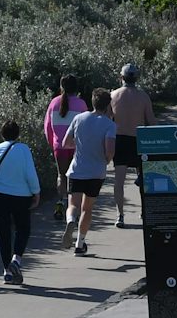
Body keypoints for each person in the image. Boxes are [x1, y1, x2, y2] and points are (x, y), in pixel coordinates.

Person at [0, 120, 42, 285]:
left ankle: (7, 271)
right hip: (21, 196)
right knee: (23, 228)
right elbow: (30, 173)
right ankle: (16, 260)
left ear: (2, 134)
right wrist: (36, 192)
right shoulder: (24, 149)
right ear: (18, 134)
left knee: (3, 233)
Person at [62, 88, 117, 254]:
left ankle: (70, 220)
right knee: (87, 208)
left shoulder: (79, 118)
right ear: (107, 105)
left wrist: (79, 145)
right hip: (96, 172)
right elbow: (110, 150)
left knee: (73, 204)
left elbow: (65, 142)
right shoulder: (110, 125)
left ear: (92, 102)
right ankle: (80, 244)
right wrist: (107, 159)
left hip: (77, 170)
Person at [110, 64, 155, 227]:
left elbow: (108, 121)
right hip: (139, 139)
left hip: (120, 140)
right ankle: (144, 211)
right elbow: (151, 121)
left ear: (121, 77)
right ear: (137, 78)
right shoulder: (143, 96)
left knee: (119, 181)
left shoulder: (113, 95)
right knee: (144, 179)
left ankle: (120, 215)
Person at [44, 75, 88, 203]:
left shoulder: (53, 103)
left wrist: (53, 144)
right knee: (75, 177)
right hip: (76, 147)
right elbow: (85, 126)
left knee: (61, 175)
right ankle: (73, 204)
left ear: (61, 87)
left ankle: (60, 202)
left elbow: (47, 127)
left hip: (59, 147)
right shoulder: (81, 104)